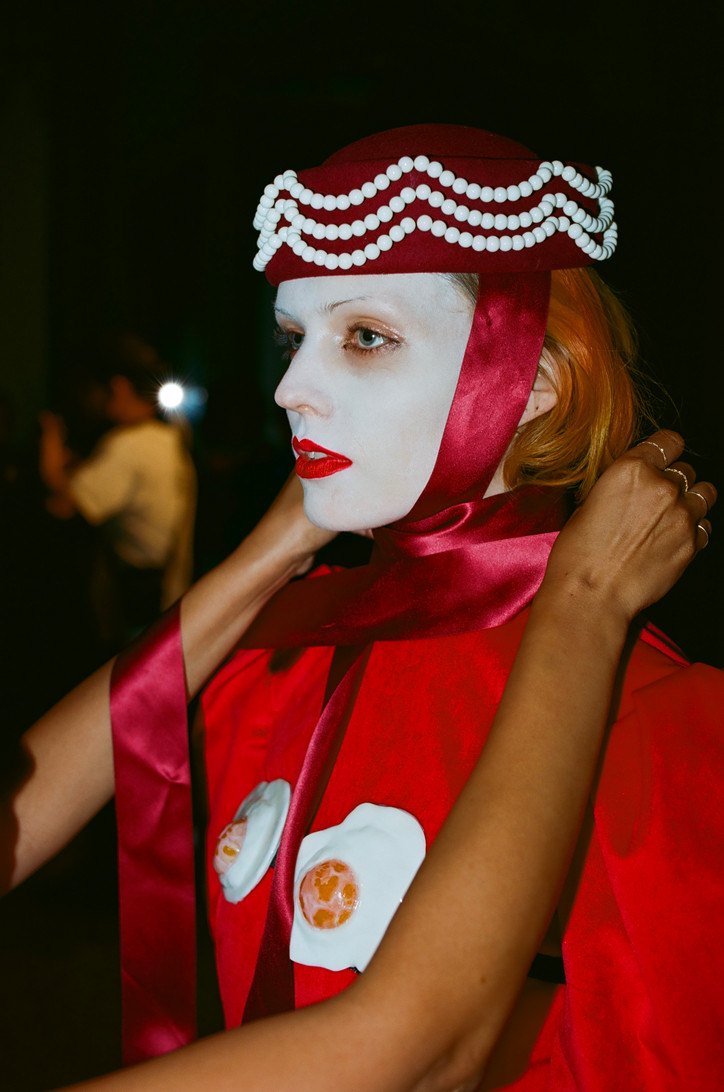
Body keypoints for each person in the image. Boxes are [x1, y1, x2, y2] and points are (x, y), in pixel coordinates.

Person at [3, 124, 720, 1090]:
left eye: (367, 336)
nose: (292, 389)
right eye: (295, 341)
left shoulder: (658, 722)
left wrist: (265, 558)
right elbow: (405, 1043)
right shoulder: (269, 671)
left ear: (536, 380)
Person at [38, 332, 197, 644]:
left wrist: (49, 438)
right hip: (174, 591)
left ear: (119, 387)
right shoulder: (170, 436)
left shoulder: (128, 445)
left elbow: (64, 505)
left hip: (142, 602)